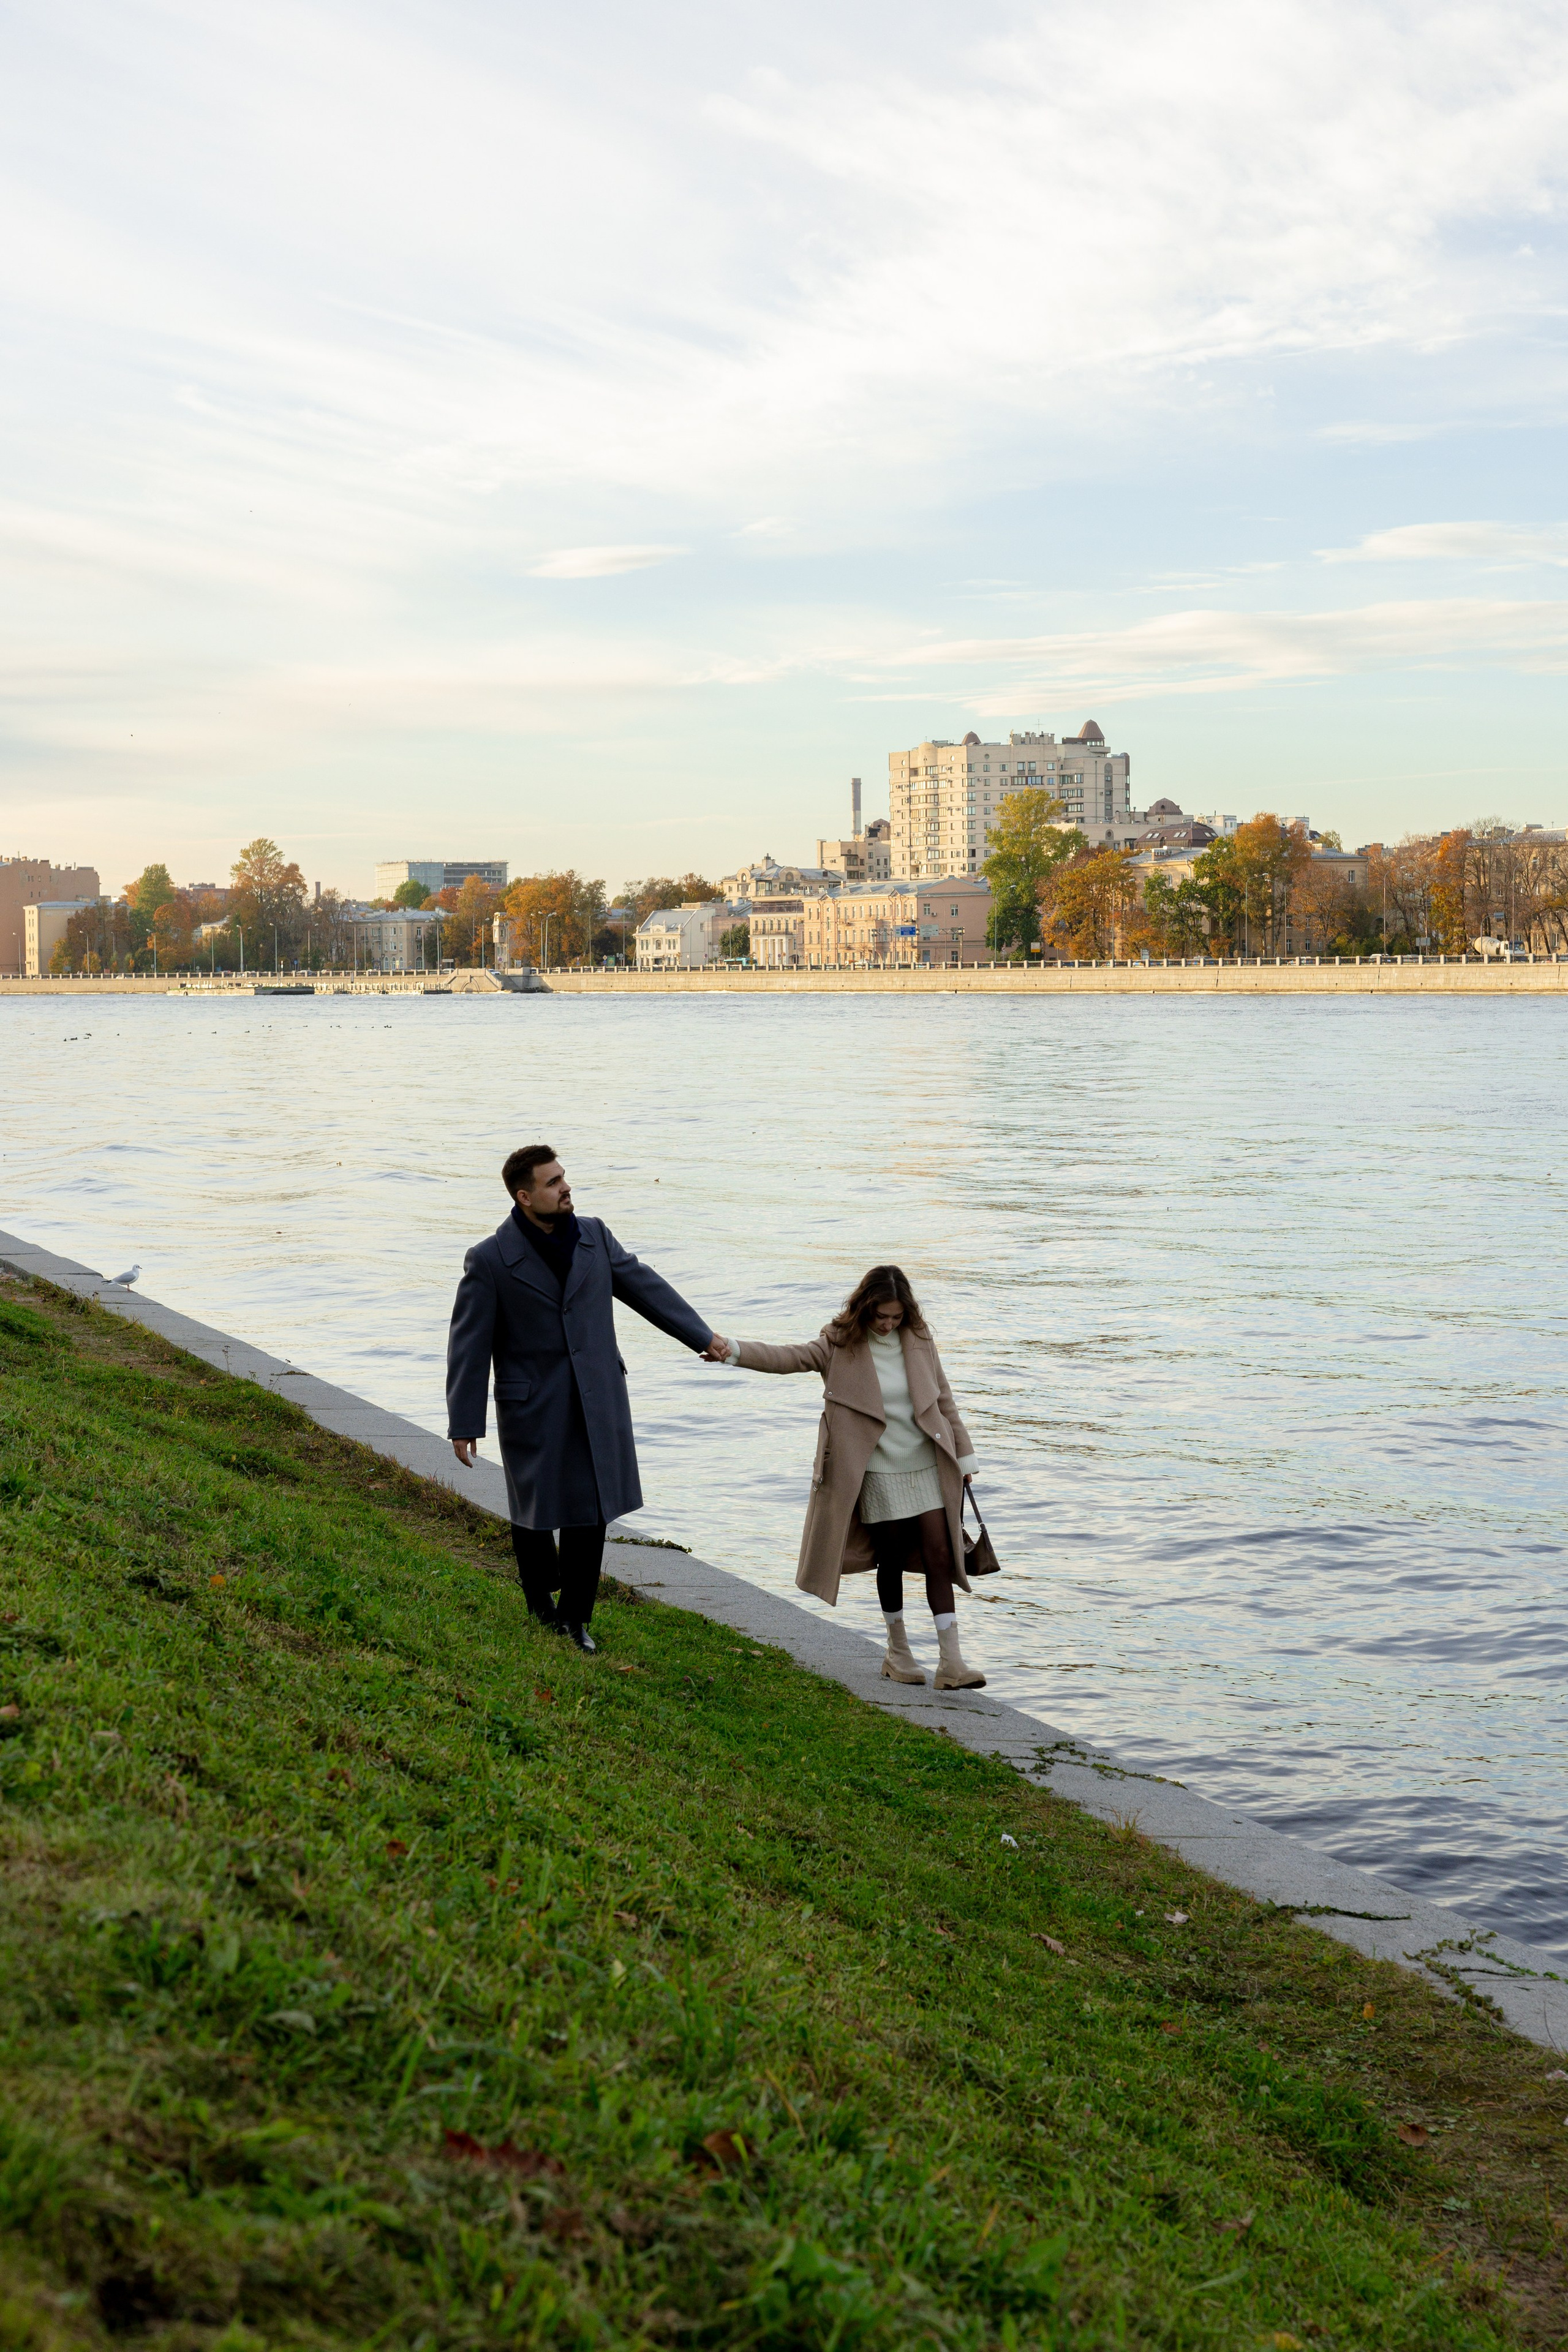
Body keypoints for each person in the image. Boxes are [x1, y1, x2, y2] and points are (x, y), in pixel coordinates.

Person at [447, 1145, 729, 1651]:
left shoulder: (594, 1236)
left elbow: (646, 1288)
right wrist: (464, 1421)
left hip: (597, 1397)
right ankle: (540, 1604)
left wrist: (701, 1336)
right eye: (552, 1183)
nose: (565, 1188)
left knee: (590, 1511)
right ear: (525, 1196)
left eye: (564, 1178)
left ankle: (575, 1619)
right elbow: (469, 1344)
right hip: (531, 1404)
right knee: (533, 1512)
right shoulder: (489, 1259)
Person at [716, 1265, 986, 1690]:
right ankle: (898, 1654)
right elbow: (789, 1358)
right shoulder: (840, 1343)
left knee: (940, 1553)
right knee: (891, 1556)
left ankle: (951, 1662)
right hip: (877, 1465)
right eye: (881, 1316)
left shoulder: (918, 1340)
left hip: (927, 1461)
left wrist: (965, 1456)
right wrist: (731, 1350)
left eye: (896, 1317)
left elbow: (944, 1399)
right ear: (865, 1308)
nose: (888, 1324)